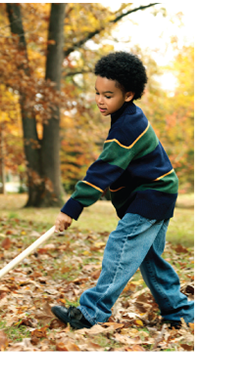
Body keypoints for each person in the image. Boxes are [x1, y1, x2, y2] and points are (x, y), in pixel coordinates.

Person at [52, 51, 194, 330]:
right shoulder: (126, 118)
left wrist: (72, 207)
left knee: (122, 246)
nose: (99, 100)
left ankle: (91, 312)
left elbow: (104, 169)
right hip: (158, 194)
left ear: (128, 95)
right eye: (97, 93)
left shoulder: (127, 126)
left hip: (153, 195)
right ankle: (180, 312)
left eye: (108, 95)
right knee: (150, 258)